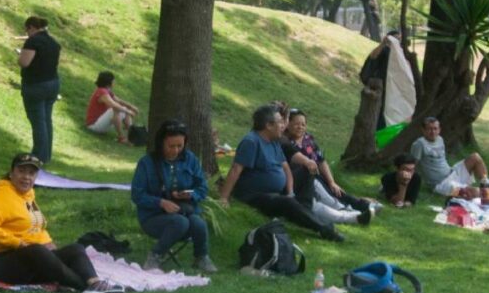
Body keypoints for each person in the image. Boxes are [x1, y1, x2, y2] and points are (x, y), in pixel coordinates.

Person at [0, 153, 125, 293]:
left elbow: (36, 227)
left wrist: (49, 244)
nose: (26, 177)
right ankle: (85, 287)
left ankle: (95, 282)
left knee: (75, 249)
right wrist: (17, 242)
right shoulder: (3, 193)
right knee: (37, 251)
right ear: (11, 173)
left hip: (29, 258)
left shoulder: (28, 194)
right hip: (1, 261)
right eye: (21, 171)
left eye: (31, 173)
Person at [218, 105, 344, 242]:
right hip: (257, 195)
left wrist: (290, 192)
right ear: (268, 125)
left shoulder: (273, 141)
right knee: (286, 203)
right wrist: (224, 198)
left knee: (307, 169)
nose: (284, 125)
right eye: (280, 122)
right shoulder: (251, 142)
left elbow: (285, 168)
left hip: (280, 190)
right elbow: (236, 169)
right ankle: (324, 229)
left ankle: (305, 211)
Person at [131, 120, 217, 273]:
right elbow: (137, 195)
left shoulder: (190, 159)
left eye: (180, 146)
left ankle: (201, 257)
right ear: (161, 142)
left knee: (198, 223)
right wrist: (161, 202)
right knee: (180, 223)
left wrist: (190, 194)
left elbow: (202, 188)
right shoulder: (147, 163)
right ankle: (154, 256)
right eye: (171, 146)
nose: (176, 150)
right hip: (153, 216)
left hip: (184, 209)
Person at [284, 108, 373, 225]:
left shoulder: (308, 139)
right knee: (323, 195)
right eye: (296, 124)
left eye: (303, 124)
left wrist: (331, 181)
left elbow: (321, 161)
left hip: (316, 177)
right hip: (301, 181)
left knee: (334, 189)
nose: (300, 127)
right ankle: (348, 210)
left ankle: (360, 207)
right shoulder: (285, 142)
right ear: (287, 124)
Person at [17, 16, 61, 164]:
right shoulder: (54, 43)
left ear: (31, 27)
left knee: (38, 122)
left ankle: (38, 156)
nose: (27, 33)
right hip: (53, 83)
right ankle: (46, 155)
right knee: (47, 120)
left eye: (27, 29)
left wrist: (19, 55)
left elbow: (24, 62)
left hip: (35, 85)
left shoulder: (33, 41)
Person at [409, 117, 489, 197]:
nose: (433, 132)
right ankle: (488, 195)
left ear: (439, 129)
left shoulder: (440, 139)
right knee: (474, 192)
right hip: (441, 184)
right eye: (429, 129)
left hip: (452, 173)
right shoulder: (419, 144)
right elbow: (412, 165)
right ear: (423, 130)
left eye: (435, 129)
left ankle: (487, 186)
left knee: (475, 157)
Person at [86, 72, 139, 144]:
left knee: (123, 109)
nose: (115, 82)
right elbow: (113, 104)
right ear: (109, 82)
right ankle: (122, 138)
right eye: (113, 80)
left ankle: (132, 136)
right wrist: (128, 111)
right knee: (115, 109)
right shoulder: (101, 91)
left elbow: (118, 101)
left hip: (101, 123)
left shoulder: (107, 91)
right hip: (93, 126)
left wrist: (131, 107)